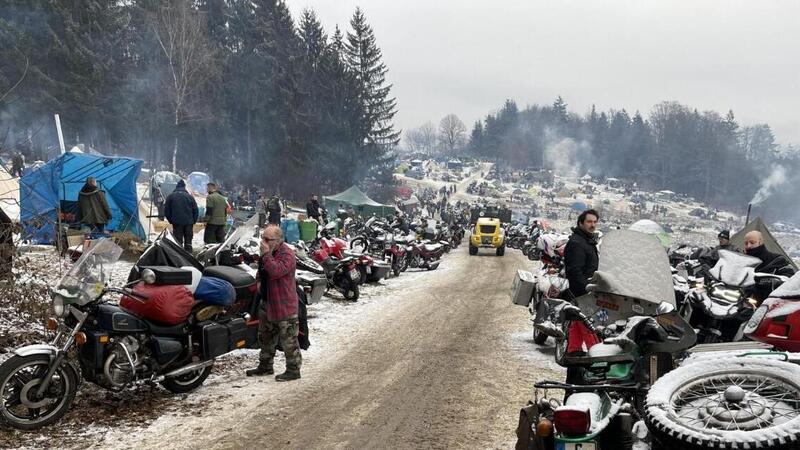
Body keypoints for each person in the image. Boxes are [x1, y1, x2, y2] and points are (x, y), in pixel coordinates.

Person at [246, 225, 302, 381]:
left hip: (284, 305)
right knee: (265, 337)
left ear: (278, 241)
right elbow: (262, 271)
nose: (263, 242)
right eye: (262, 238)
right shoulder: (267, 253)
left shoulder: (287, 254)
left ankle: (293, 370)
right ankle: (265, 366)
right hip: (268, 303)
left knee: (289, 340)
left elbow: (276, 271)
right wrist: (258, 282)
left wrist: (265, 256)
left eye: (267, 239)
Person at [564, 209, 600, 299]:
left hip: (589, 289)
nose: (593, 225)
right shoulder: (577, 243)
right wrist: (586, 290)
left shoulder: (587, 241)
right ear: (580, 223)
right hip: (581, 295)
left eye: (595, 222)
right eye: (589, 222)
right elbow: (575, 271)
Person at [164, 179, 198, 253]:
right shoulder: (190, 197)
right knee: (188, 241)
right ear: (184, 187)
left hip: (177, 223)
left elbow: (166, 211)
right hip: (188, 223)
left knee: (178, 241)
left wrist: (171, 220)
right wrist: (193, 221)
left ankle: (179, 257)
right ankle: (189, 256)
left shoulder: (171, 196)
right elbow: (195, 210)